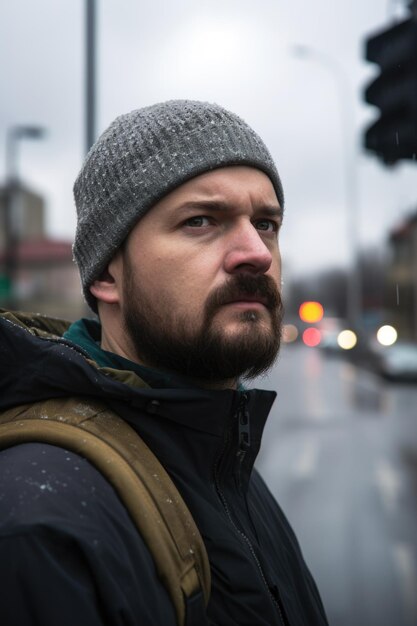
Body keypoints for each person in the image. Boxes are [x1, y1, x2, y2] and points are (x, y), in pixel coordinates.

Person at [0, 100, 328, 625]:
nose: (256, 253)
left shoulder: (223, 458)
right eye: (201, 220)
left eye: (265, 223)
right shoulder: (40, 523)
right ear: (107, 275)